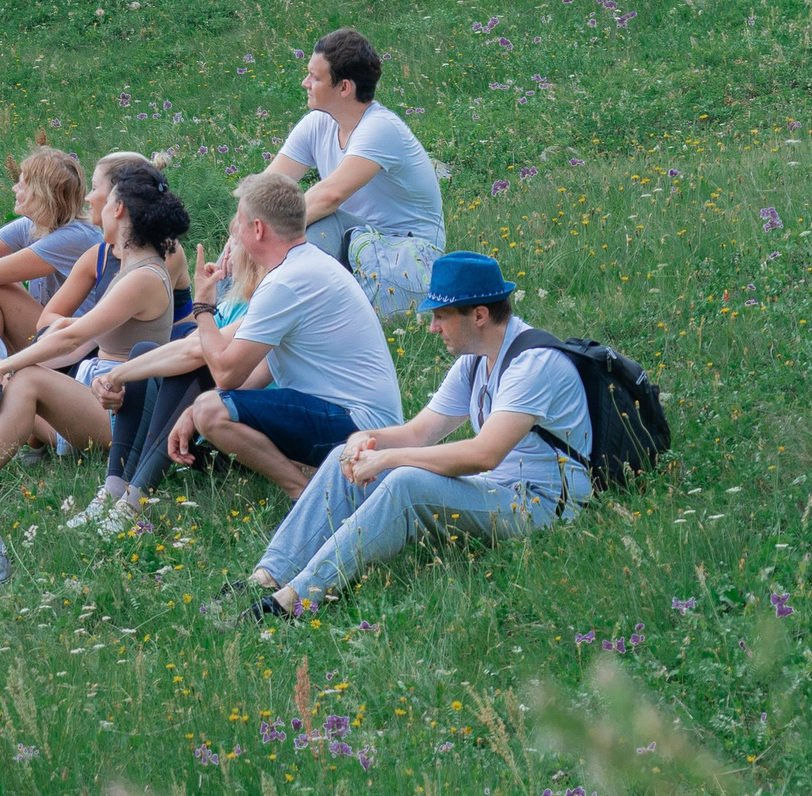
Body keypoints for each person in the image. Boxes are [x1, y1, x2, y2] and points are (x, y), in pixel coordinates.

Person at [228, 252, 593, 624]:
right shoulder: (476, 359)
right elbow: (419, 433)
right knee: (346, 455)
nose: (433, 328)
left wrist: (387, 459)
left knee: (405, 482)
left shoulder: (533, 364)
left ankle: (296, 600)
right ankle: (268, 575)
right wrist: (363, 437)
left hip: (541, 503)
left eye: (440, 316)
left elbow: (484, 454)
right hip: (500, 489)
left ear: (479, 315)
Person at [161, 174, 403, 501]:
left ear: (258, 229)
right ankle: (318, 485)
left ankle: (306, 497)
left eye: (239, 220)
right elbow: (261, 372)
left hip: (359, 427)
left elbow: (225, 373)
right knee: (204, 408)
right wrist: (189, 413)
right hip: (368, 425)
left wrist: (203, 306)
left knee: (211, 410)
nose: (235, 229)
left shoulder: (285, 283)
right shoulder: (308, 267)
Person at [0, 163, 191, 485]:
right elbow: (71, 332)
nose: (89, 200)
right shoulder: (131, 266)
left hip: (120, 413)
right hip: (95, 392)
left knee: (25, 380)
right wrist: (2, 367)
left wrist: (7, 366)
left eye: (101, 194)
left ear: (119, 209)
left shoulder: (144, 276)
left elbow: (73, 338)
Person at [262, 27, 445, 321]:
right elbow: (265, 187)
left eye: (316, 77)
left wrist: (267, 232)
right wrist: (245, 228)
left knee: (319, 221)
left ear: (344, 87)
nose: (305, 82)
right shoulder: (318, 124)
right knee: (259, 221)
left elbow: (329, 196)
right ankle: (226, 316)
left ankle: (276, 316)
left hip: (409, 255)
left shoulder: (380, 128)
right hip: (356, 248)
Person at [0, 144, 98, 352]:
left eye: (22, 185)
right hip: (50, 332)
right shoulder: (34, 225)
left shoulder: (76, 236)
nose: (14, 189)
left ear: (40, 195)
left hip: (77, 348)